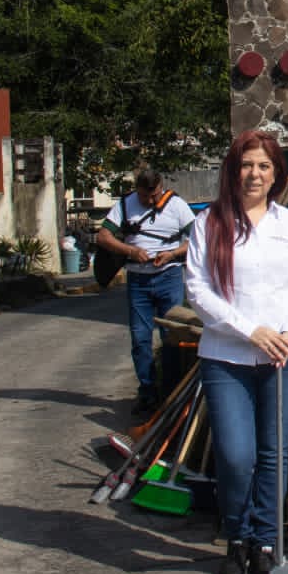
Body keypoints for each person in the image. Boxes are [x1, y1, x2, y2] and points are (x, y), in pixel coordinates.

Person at [185, 130, 288, 574]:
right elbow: (197, 290)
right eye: (247, 165)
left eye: (264, 166)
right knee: (235, 453)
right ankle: (236, 537)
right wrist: (251, 331)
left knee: (273, 454)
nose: (255, 174)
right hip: (227, 357)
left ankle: (265, 541)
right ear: (232, 170)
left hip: (285, 355)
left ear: (276, 172)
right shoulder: (208, 224)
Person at [96, 167, 198, 414]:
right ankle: (147, 392)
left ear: (161, 186)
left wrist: (172, 253)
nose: (151, 201)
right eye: (145, 197)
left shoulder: (176, 205)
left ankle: (170, 393)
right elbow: (103, 237)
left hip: (169, 276)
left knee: (171, 336)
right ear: (137, 189)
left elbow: (197, 238)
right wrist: (131, 251)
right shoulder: (125, 204)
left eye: (154, 195)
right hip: (138, 280)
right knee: (140, 338)